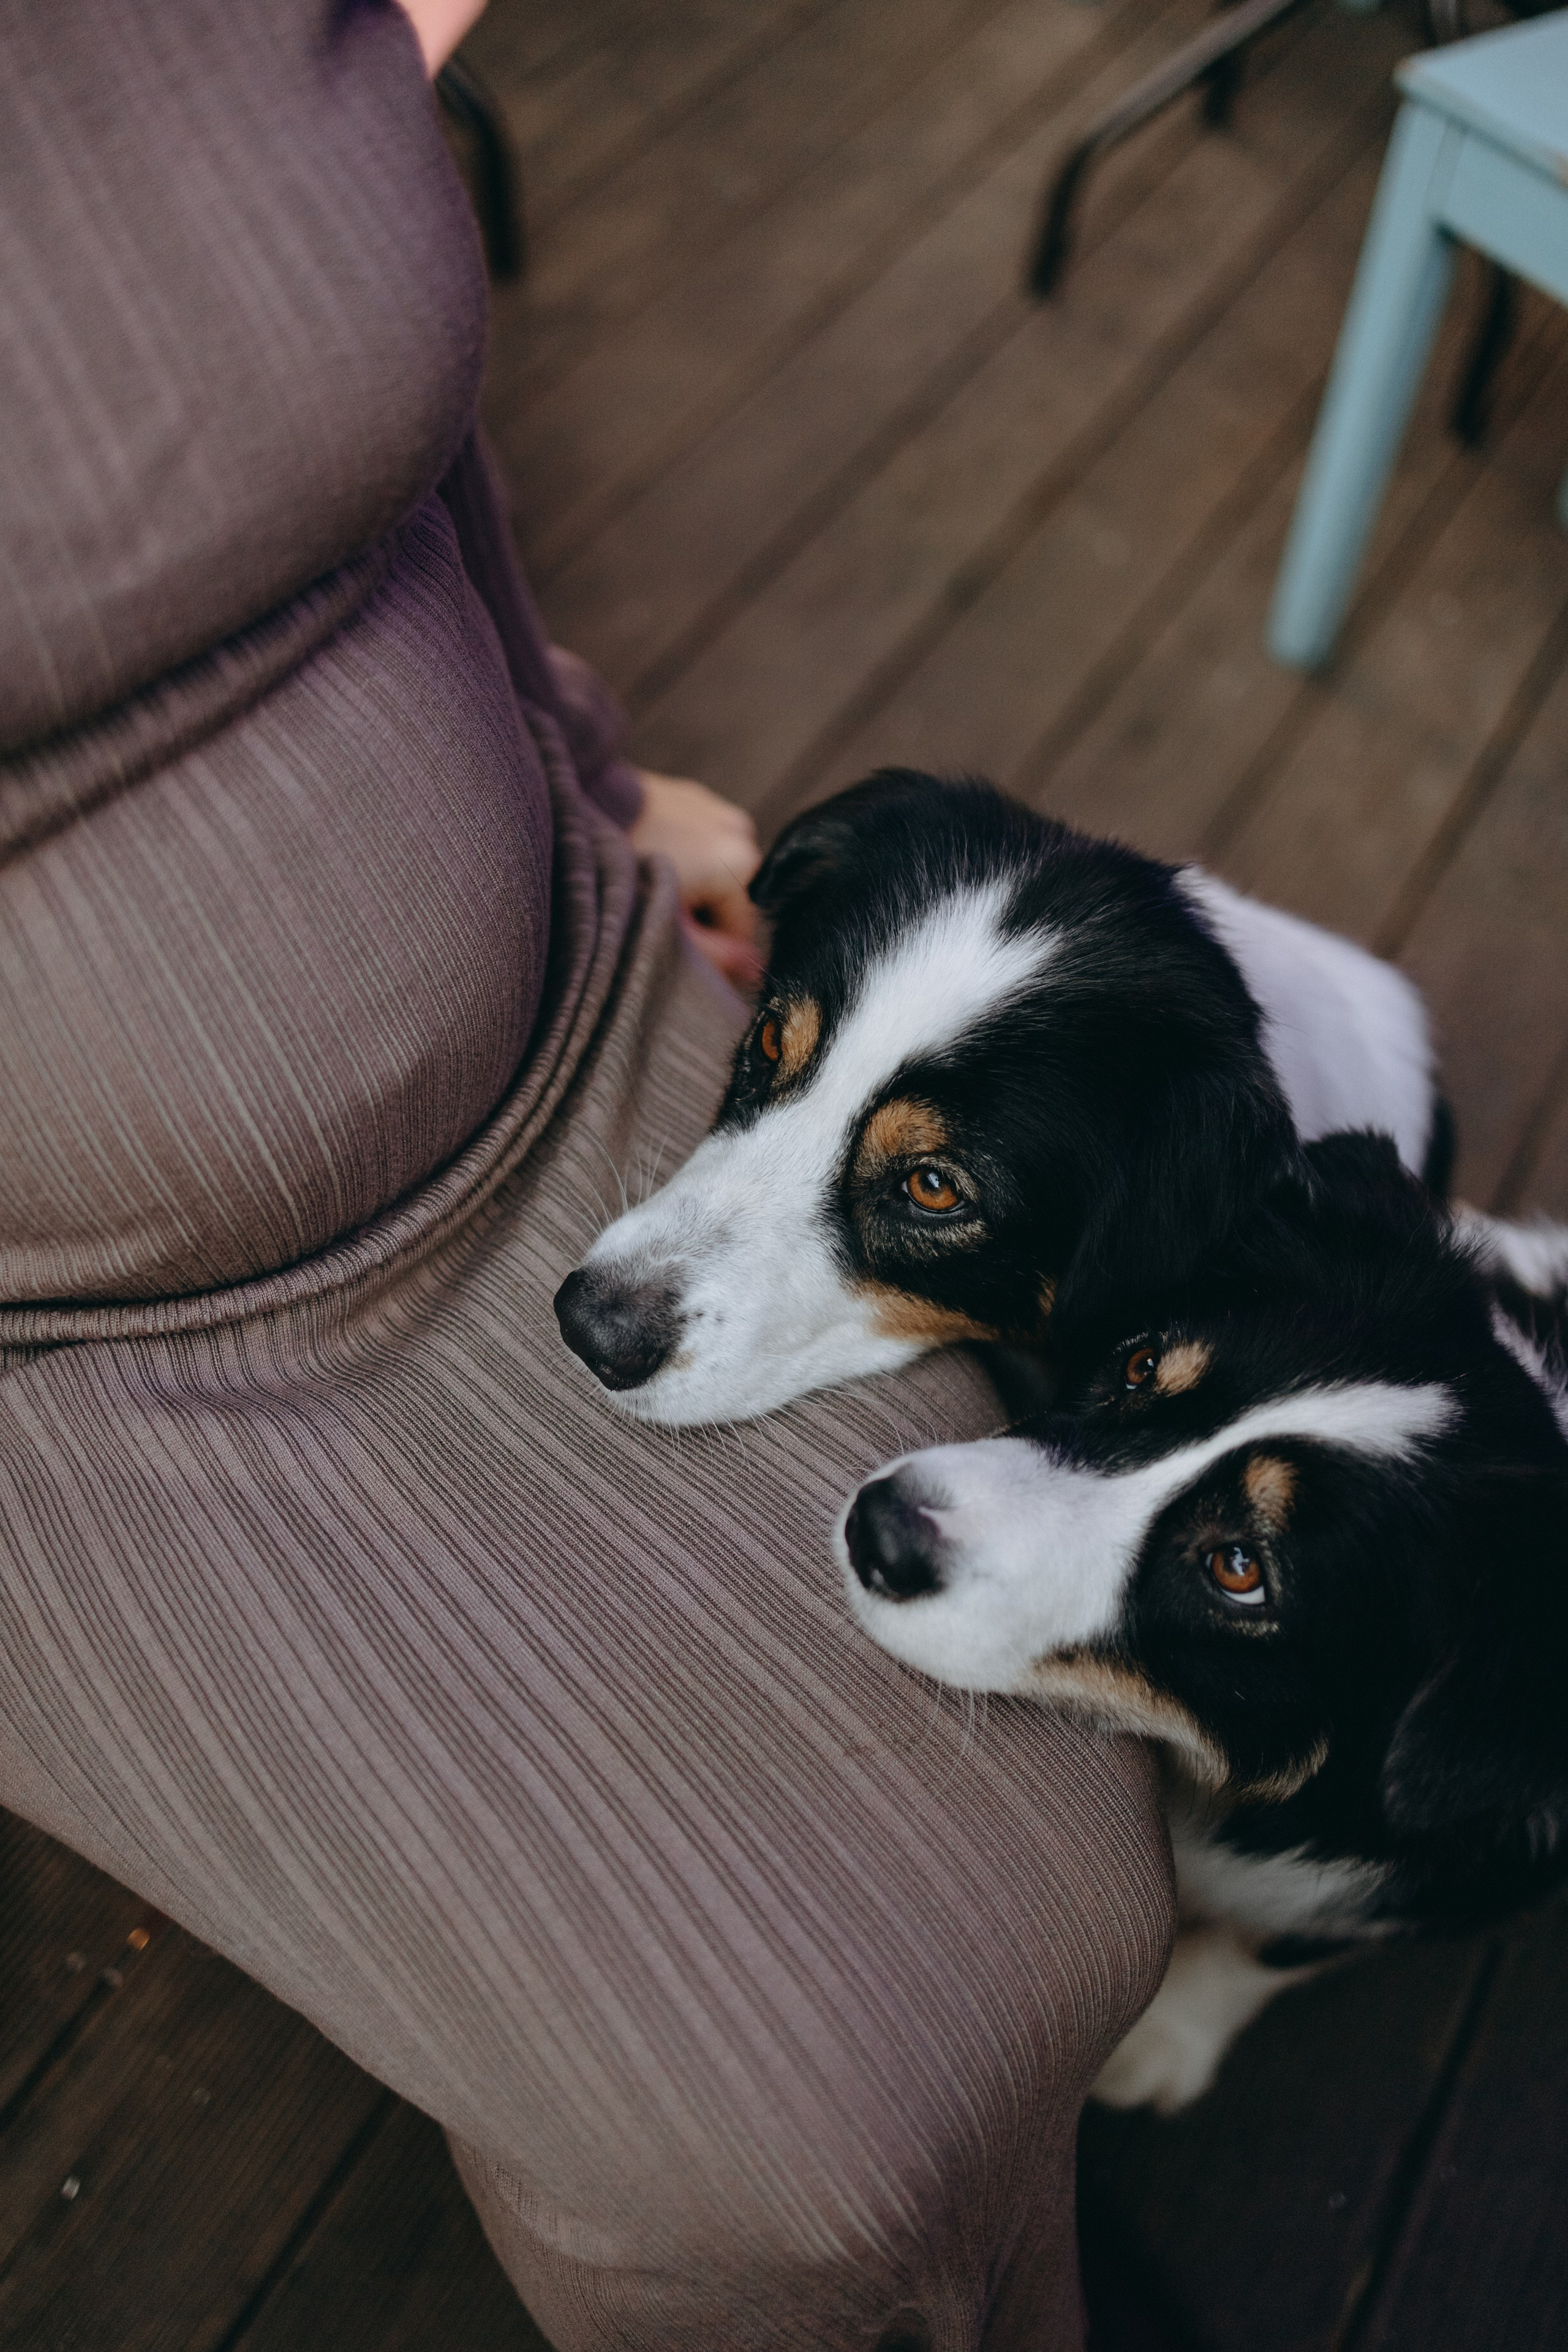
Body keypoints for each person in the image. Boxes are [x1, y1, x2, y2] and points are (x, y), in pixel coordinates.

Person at [0, 4, 1171, 2345]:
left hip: (582, 1021)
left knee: (1063, 1848)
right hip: (83, 1348)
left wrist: (599, 777)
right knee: (764, 2138)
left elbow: (390, 439)